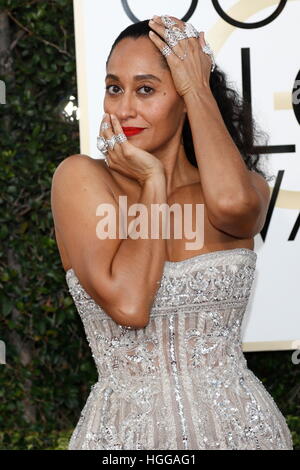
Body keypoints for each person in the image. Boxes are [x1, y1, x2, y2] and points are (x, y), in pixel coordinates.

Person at [51, 15, 293, 450]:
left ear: (183, 97)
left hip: (243, 433)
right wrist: (154, 185)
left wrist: (198, 86)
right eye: (114, 87)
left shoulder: (242, 188)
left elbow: (235, 209)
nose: (124, 108)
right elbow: (129, 304)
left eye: (146, 89)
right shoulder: (80, 180)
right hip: (124, 440)